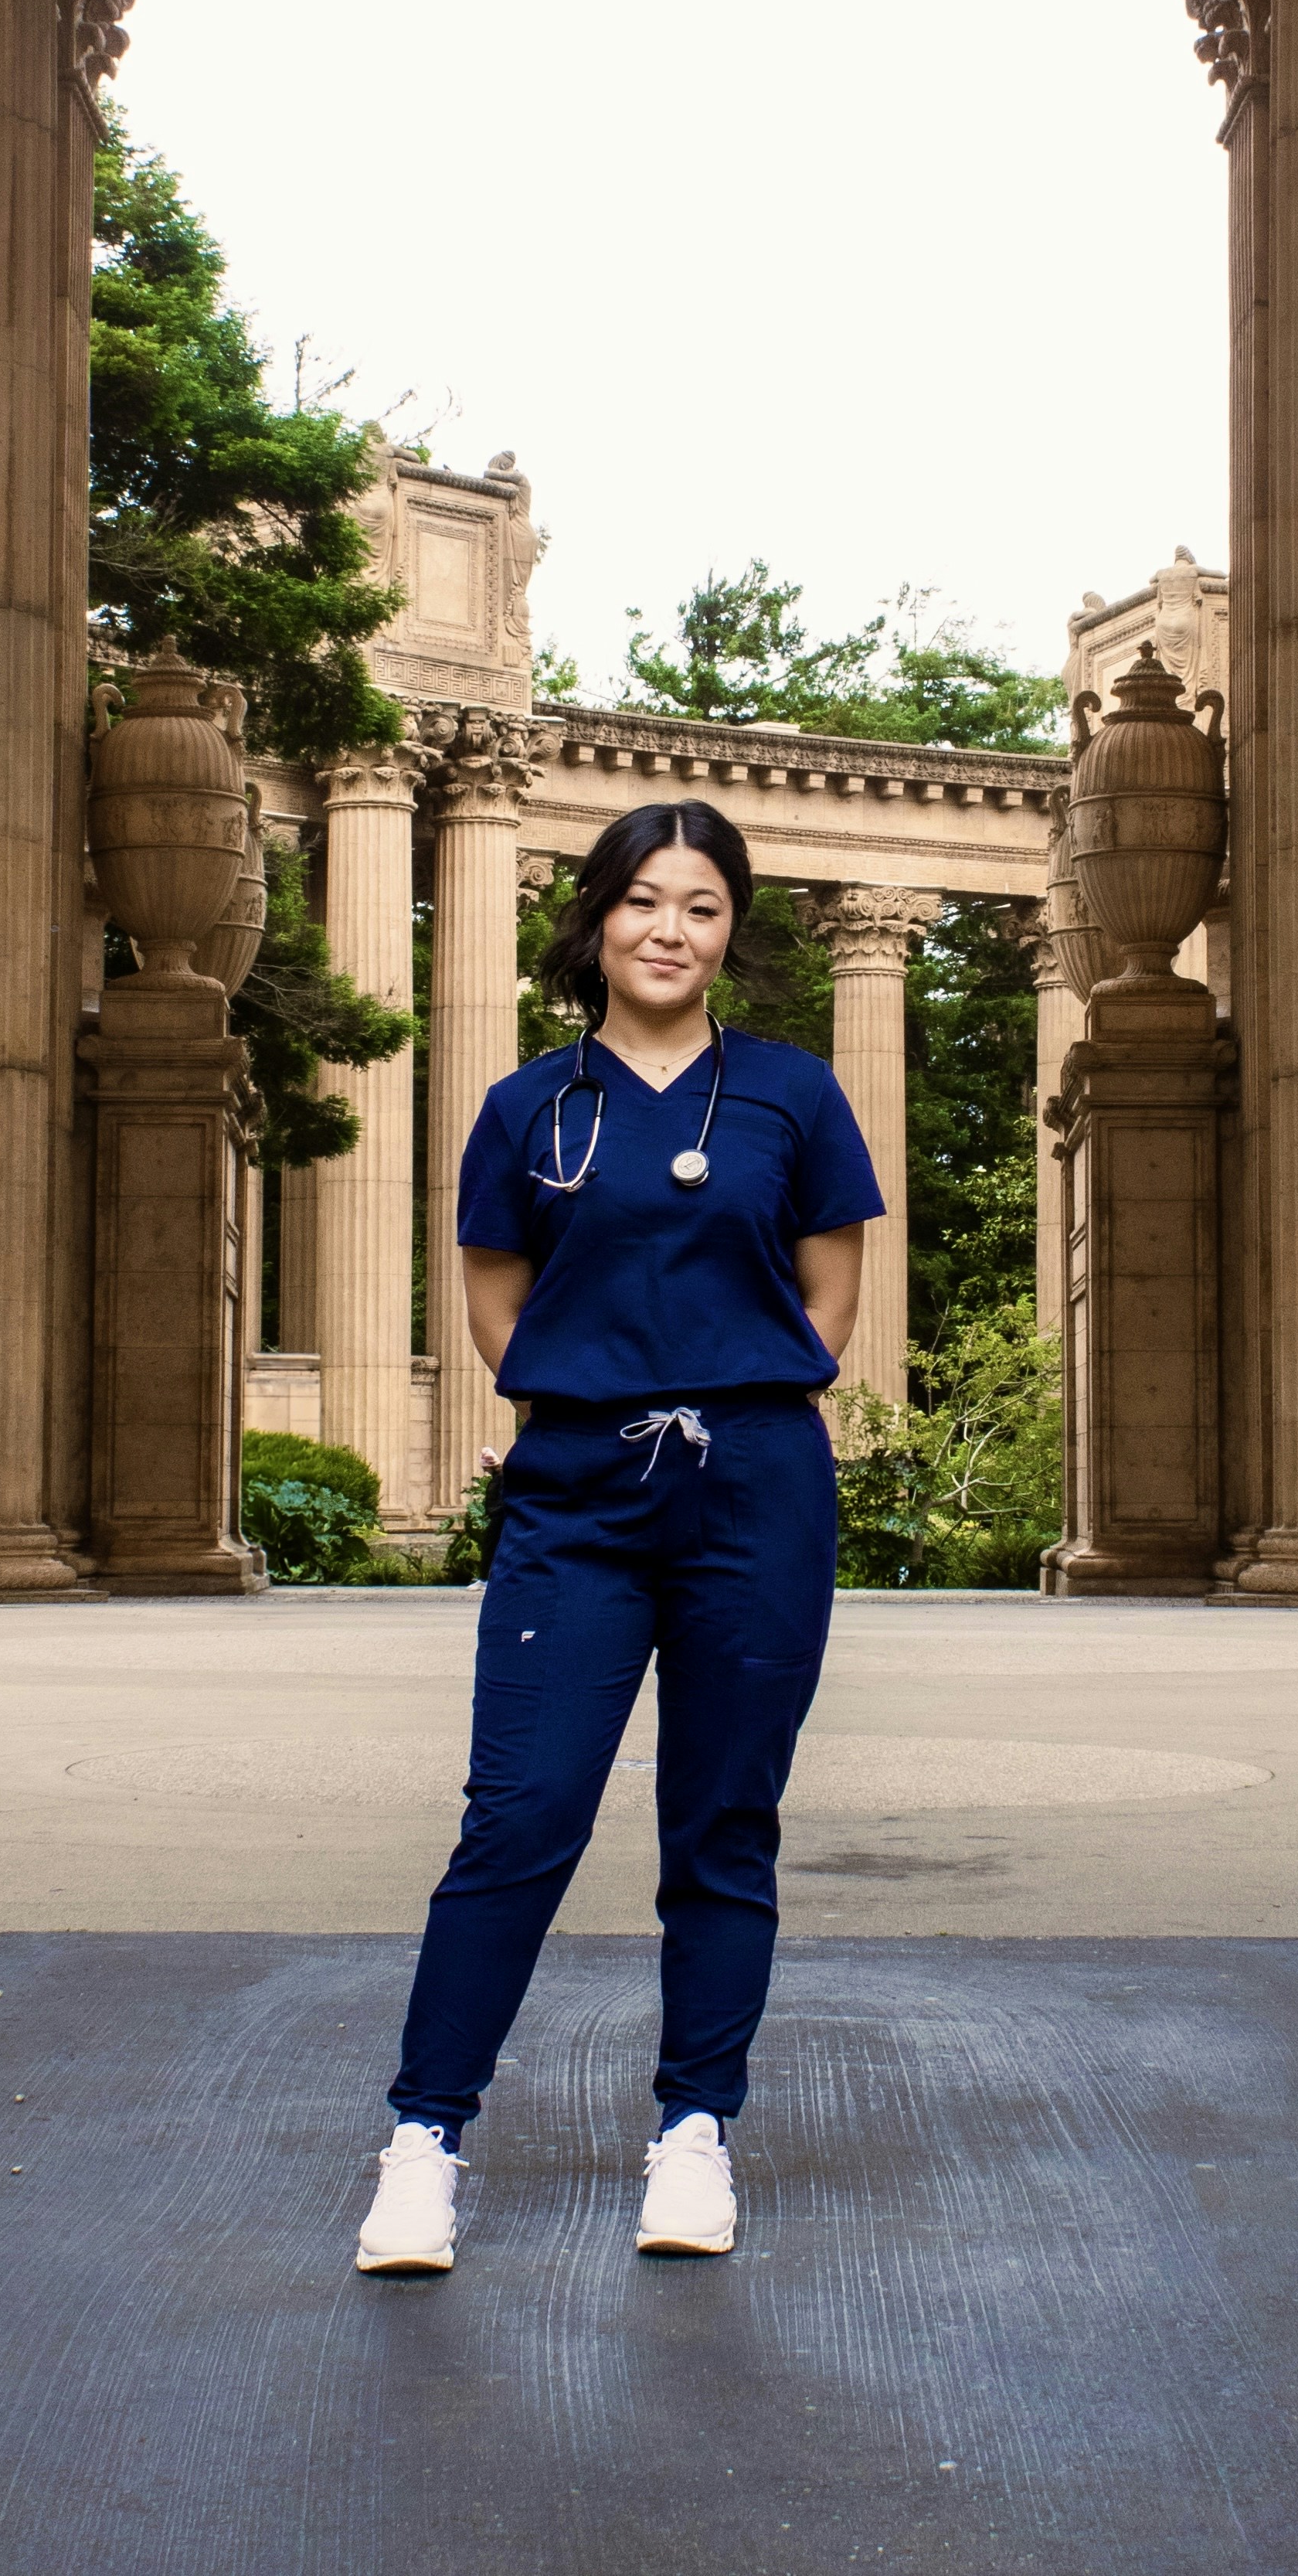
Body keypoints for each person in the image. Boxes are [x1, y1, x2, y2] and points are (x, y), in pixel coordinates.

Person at [355, 798, 882, 2275]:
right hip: (578, 1493)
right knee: (520, 1814)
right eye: (646, 900)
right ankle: (423, 2142)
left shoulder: (792, 1096)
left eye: (703, 906)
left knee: (722, 1822)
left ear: (731, 931)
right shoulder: (528, 1107)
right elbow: (495, 1305)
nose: (671, 928)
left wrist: (727, 1389)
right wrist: (597, 1397)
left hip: (754, 1485)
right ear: (595, 920)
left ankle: (694, 2136)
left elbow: (827, 1301)